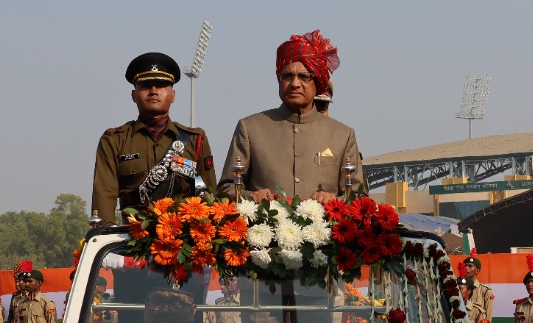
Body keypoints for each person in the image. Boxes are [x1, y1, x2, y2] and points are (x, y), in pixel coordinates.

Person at [216, 30, 363, 203]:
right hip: (264, 229)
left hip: (326, 228)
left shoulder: (342, 135)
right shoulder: (250, 128)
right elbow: (225, 190)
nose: (294, 84)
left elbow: (359, 197)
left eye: (304, 77)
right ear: (278, 80)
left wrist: (334, 201)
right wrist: (252, 197)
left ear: (317, 84)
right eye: (287, 76)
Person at [91, 52, 216, 226]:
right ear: (134, 95)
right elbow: (104, 194)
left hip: (184, 238)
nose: (153, 91)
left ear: (173, 95)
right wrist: (105, 237)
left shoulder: (195, 140)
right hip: (132, 239)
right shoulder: (114, 141)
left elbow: (210, 195)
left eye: (162, 85)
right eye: (145, 85)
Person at [461, 253, 495, 323]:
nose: (466, 268)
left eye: (470, 266)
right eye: (465, 266)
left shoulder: (485, 291)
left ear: (477, 270)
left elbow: (487, 318)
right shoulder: (456, 288)